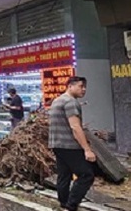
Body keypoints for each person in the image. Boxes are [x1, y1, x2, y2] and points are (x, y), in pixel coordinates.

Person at [49, 76, 95, 211]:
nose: (84, 89)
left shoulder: (57, 100)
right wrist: (87, 149)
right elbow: (75, 127)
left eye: (85, 87)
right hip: (69, 145)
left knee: (64, 175)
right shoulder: (70, 102)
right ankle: (71, 205)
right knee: (86, 175)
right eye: (81, 86)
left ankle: (64, 203)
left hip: (56, 144)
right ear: (70, 86)